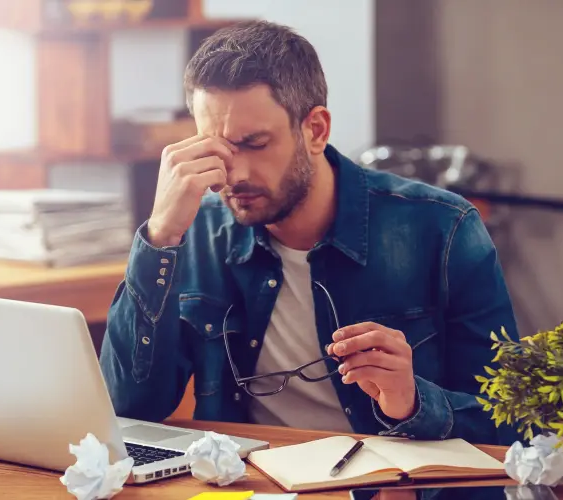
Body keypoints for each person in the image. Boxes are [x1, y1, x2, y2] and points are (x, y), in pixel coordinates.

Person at [99, 20, 520, 445]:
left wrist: (413, 402)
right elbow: (130, 408)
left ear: (315, 130)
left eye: (256, 143)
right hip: (250, 482)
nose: (235, 173)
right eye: (218, 147)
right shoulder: (197, 229)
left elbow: (512, 426)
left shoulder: (443, 228)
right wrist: (160, 236)